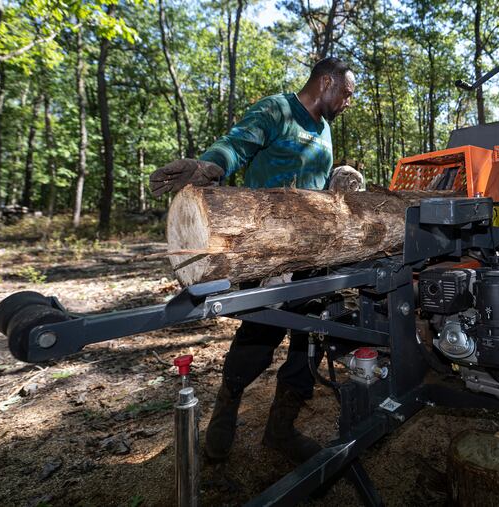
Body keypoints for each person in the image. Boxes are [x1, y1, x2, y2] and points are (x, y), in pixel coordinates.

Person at [149, 57, 357, 464]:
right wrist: (210, 165)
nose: (348, 101)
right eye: (346, 93)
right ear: (326, 82)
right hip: (267, 253)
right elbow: (238, 143)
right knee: (259, 336)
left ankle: (280, 430)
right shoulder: (277, 110)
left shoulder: (325, 129)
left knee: (308, 340)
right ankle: (226, 407)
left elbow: (313, 185)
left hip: (313, 254)